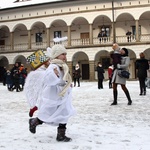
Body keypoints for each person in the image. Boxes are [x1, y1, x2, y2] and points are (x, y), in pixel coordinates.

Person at [28, 44, 76, 142]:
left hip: (62, 94)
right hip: (53, 94)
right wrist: (54, 76)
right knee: (48, 113)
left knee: (64, 113)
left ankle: (61, 135)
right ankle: (34, 121)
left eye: (65, 54)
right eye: (63, 54)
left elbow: (64, 78)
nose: (65, 57)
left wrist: (67, 83)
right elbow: (48, 80)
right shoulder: (53, 66)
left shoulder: (62, 66)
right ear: (56, 55)